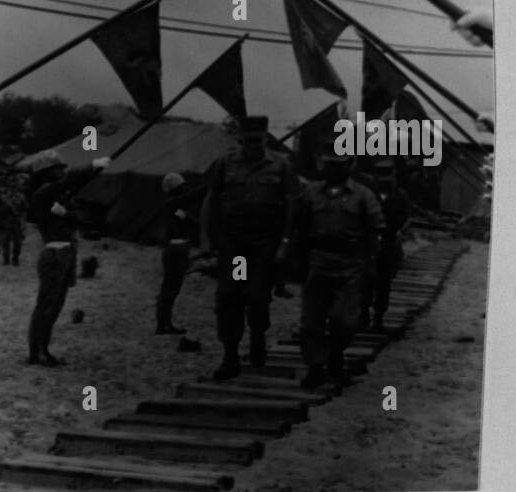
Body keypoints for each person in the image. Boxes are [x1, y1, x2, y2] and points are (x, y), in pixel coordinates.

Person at [201, 116, 297, 380]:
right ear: (242, 138)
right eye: (249, 140)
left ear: (266, 138)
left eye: (258, 140)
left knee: (256, 297)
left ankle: (257, 336)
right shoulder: (226, 162)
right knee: (230, 296)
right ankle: (230, 355)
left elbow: (291, 204)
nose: (253, 145)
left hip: (264, 245)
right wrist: (206, 237)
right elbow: (211, 198)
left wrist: (285, 243)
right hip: (235, 245)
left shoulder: (280, 164)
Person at [294, 152, 385, 389]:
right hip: (318, 261)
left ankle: (336, 352)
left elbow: (376, 230)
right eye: (330, 164)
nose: (334, 169)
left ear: (350, 165)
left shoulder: (363, 195)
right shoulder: (311, 193)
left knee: (343, 319)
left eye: (340, 165)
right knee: (311, 321)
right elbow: (299, 225)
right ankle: (315, 366)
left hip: (350, 264)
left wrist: (372, 264)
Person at [25, 154, 109, 366]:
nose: (61, 171)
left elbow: (77, 221)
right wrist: (91, 166)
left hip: (66, 253)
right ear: (45, 173)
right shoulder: (43, 193)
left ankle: (43, 349)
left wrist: (65, 213)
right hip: (54, 254)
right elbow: (69, 181)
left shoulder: (57, 197)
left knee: (55, 305)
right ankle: (37, 352)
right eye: (57, 168)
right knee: (46, 305)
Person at [363, 165, 411, 332]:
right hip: (368, 244)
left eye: (388, 176)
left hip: (389, 243)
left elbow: (405, 217)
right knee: (365, 280)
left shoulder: (400, 196)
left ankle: (378, 317)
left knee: (383, 282)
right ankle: (364, 315)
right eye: (381, 176)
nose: (385, 180)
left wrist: (396, 231)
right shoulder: (367, 194)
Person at [155, 171, 199, 334]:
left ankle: (164, 322)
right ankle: (163, 324)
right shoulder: (173, 204)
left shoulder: (174, 207)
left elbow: (190, 222)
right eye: (181, 187)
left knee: (171, 288)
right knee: (170, 288)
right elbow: (192, 198)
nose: (184, 190)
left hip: (176, 249)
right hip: (176, 250)